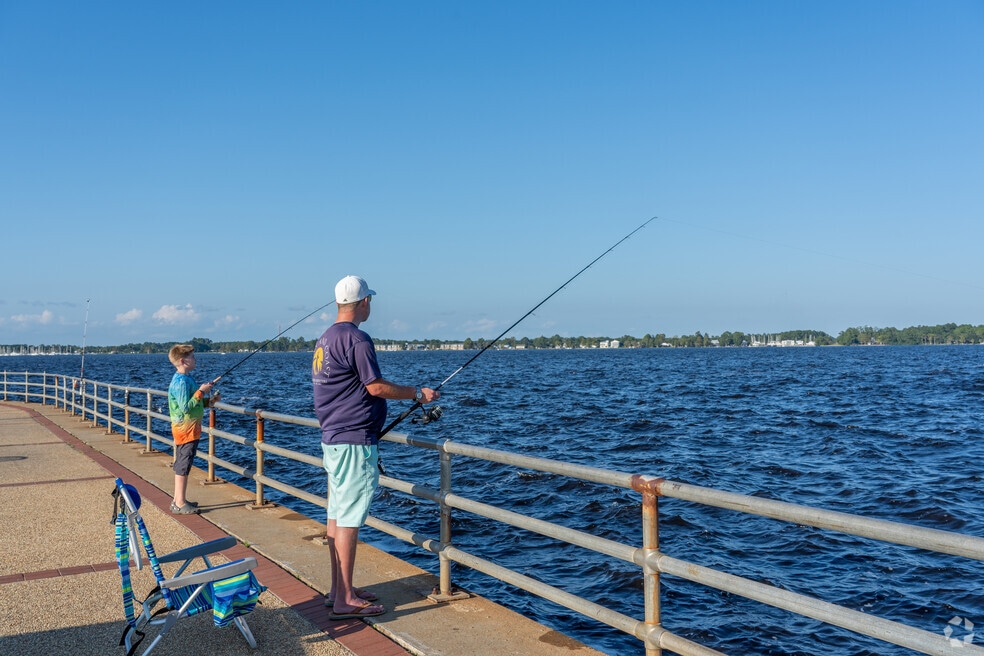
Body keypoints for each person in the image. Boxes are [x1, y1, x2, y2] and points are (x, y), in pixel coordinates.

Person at [312, 275, 439, 620]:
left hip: (333, 439)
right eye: (370, 301)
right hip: (353, 442)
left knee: (337, 517)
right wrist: (417, 393)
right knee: (350, 520)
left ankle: (340, 590)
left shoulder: (325, 338)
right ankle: (344, 601)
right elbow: (376, 387)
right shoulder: (357, 338)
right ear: (364, 302)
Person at [167, 344, 217, 514]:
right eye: (192, 357)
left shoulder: (187, 379)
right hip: (185, 431)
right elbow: (185, 407)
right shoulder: (180, 382)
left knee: (184, 463)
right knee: (183, 464)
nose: (195, 359)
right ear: (183, 361)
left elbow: (194, 403)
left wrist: (209, 401)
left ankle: (177, 500)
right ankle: (179, 503)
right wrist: (201, 391)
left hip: (190, 429)